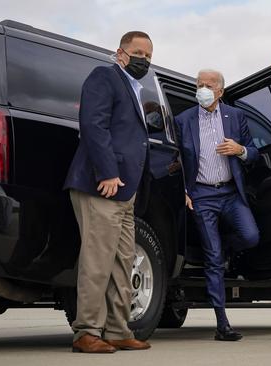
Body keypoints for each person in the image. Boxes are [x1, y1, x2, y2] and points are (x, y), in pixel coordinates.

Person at [63, 31, 153, 353]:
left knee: (122, 262)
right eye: (138, 52)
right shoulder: (105, 76)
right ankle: (87, 331)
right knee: (97, 260)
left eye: (149, 55)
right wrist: (109, 172)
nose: (144, 59)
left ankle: (117, 329)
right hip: (102, 185)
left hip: (126, 193)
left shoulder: (135, 88)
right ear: (121, 53)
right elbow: (93, 124)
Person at [175, 69, 260, 341]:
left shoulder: (235, 116)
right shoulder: (183, 120)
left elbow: (255, 153)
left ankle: (224, 248)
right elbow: (175, 159)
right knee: (213, 260)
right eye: (199, 84)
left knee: (250, 236)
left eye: (208, 85)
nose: (203, 88)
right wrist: (183, 191)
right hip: (201, 195)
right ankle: (222, 324)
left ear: (220, 91)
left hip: (231, 193)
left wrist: (241, 150)